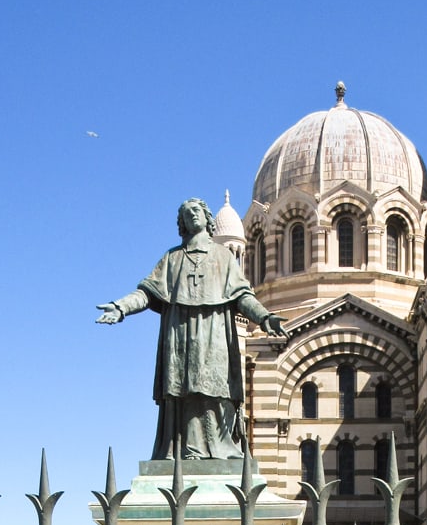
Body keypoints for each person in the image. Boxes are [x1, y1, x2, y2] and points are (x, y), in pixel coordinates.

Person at [96, 197, 286, 460]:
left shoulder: (223, 257)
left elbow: (242, 296)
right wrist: (121, 307)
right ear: (181, 223)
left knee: (216, 387)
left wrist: (264, 317)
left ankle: (220, 448)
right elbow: (148, 293)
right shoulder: (172, 259)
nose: (191, 216)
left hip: (215, 331)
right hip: (180, 334)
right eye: (186, 214)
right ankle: (185, 449)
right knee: (182, 390)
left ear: (208, 219)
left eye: (196, 211)